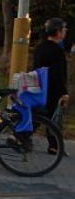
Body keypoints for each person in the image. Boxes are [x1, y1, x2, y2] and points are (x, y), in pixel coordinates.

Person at [33, 18, 69, 154]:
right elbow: (59, 74)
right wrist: (64, 92)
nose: (65, 32)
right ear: (58, 32)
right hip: (53, 90)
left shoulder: (40, 47)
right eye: (64, 29)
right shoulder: (56, 50)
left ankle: (21, 137)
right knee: (53, 117)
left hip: (40, 87)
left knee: (42, 115)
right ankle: (54, 145)